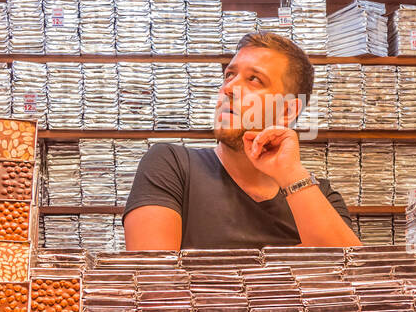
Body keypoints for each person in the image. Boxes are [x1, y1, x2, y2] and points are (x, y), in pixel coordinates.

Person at [124, 31, 361, 250]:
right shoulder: (171, 165)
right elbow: (155, 284)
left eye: (254, 79)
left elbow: (350, 276)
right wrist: (290, 263)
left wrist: (292, 174)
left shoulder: (321, 197)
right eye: (229, 75)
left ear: (287, 111)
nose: (229, 87)